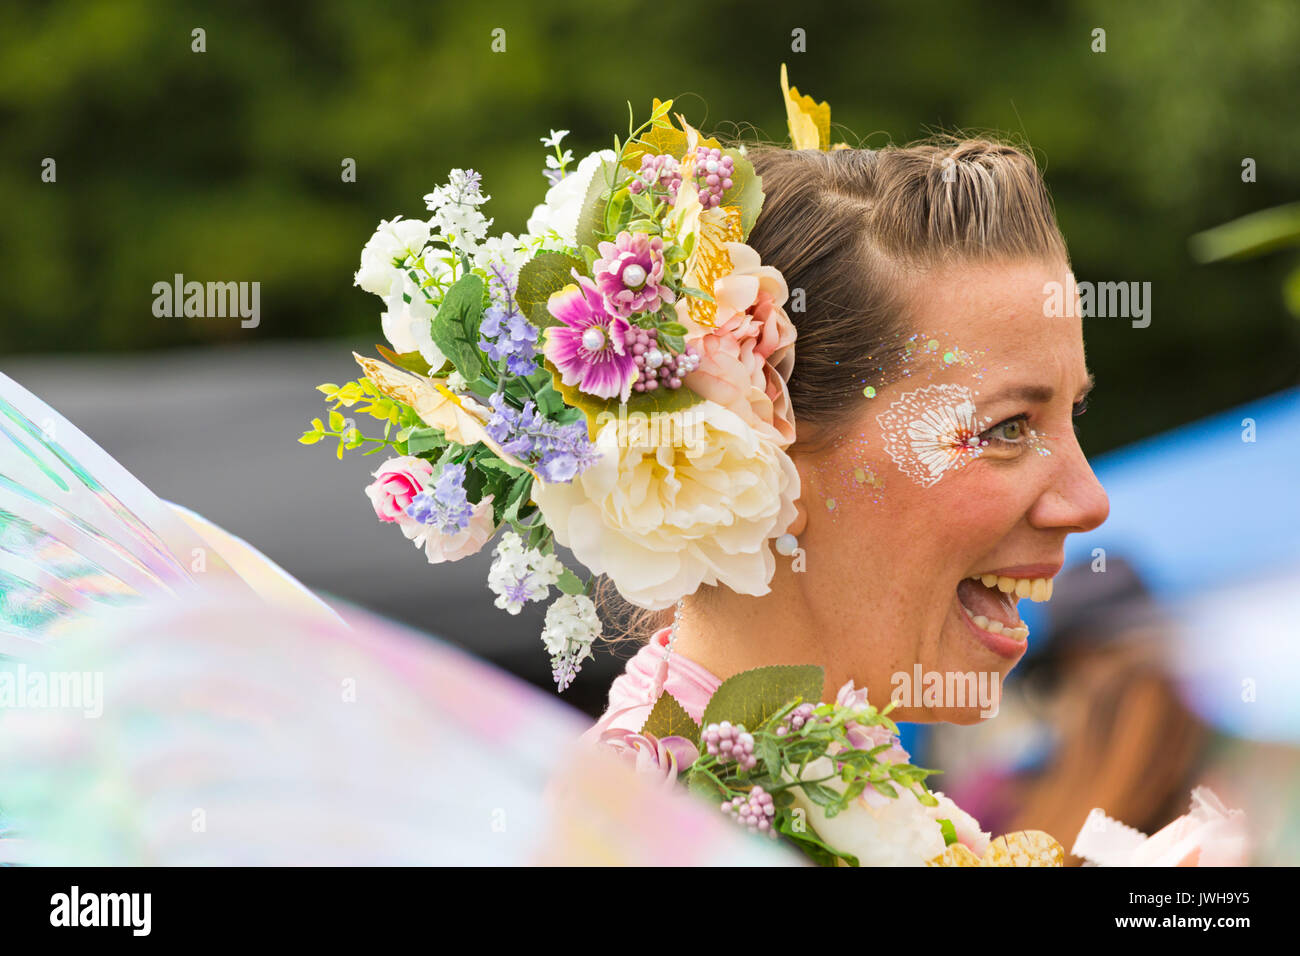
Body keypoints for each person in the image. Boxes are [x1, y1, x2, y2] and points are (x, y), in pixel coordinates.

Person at [589, 138, 1110, 737]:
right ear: (757, 450)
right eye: (1008, 428)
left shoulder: (812, 793)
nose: (1090, 502)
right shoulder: (645, 821)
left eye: (1076, 411)